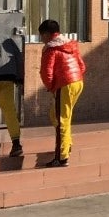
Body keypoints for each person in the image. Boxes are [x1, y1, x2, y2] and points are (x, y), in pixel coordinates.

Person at [38, 19, 85, 168]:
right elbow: (81, 65)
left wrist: (52, 88)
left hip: (64, 85)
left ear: (46, 34)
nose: (41, 39)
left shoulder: (50, 49)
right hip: (77, 81)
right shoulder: (70, 44)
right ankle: (67, 143)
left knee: (61, 120)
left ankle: (61, 157)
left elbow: (46, 73)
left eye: (41, 35)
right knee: (58, 114)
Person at [0, 14, 24, 158]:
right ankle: (16, 144)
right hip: (8, 79)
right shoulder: (8, 39)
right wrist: (19, 78)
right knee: (10, 112)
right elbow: (18, 57)